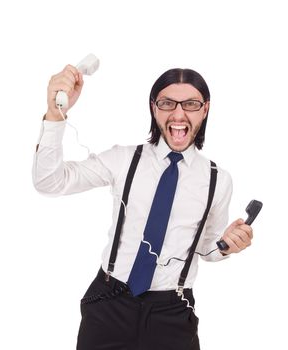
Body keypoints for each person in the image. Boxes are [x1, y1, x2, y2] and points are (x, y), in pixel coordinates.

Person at [33, 65, 253, 350]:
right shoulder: (124, 160)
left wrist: (227, 245)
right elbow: (48, 181)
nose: (178, 114)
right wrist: (55, 114)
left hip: (173, 313)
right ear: (154, 108)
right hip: (109, 304)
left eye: (190, 104)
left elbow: (206, 248)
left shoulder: (218, 180)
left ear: (205, 109)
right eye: (166, 103)